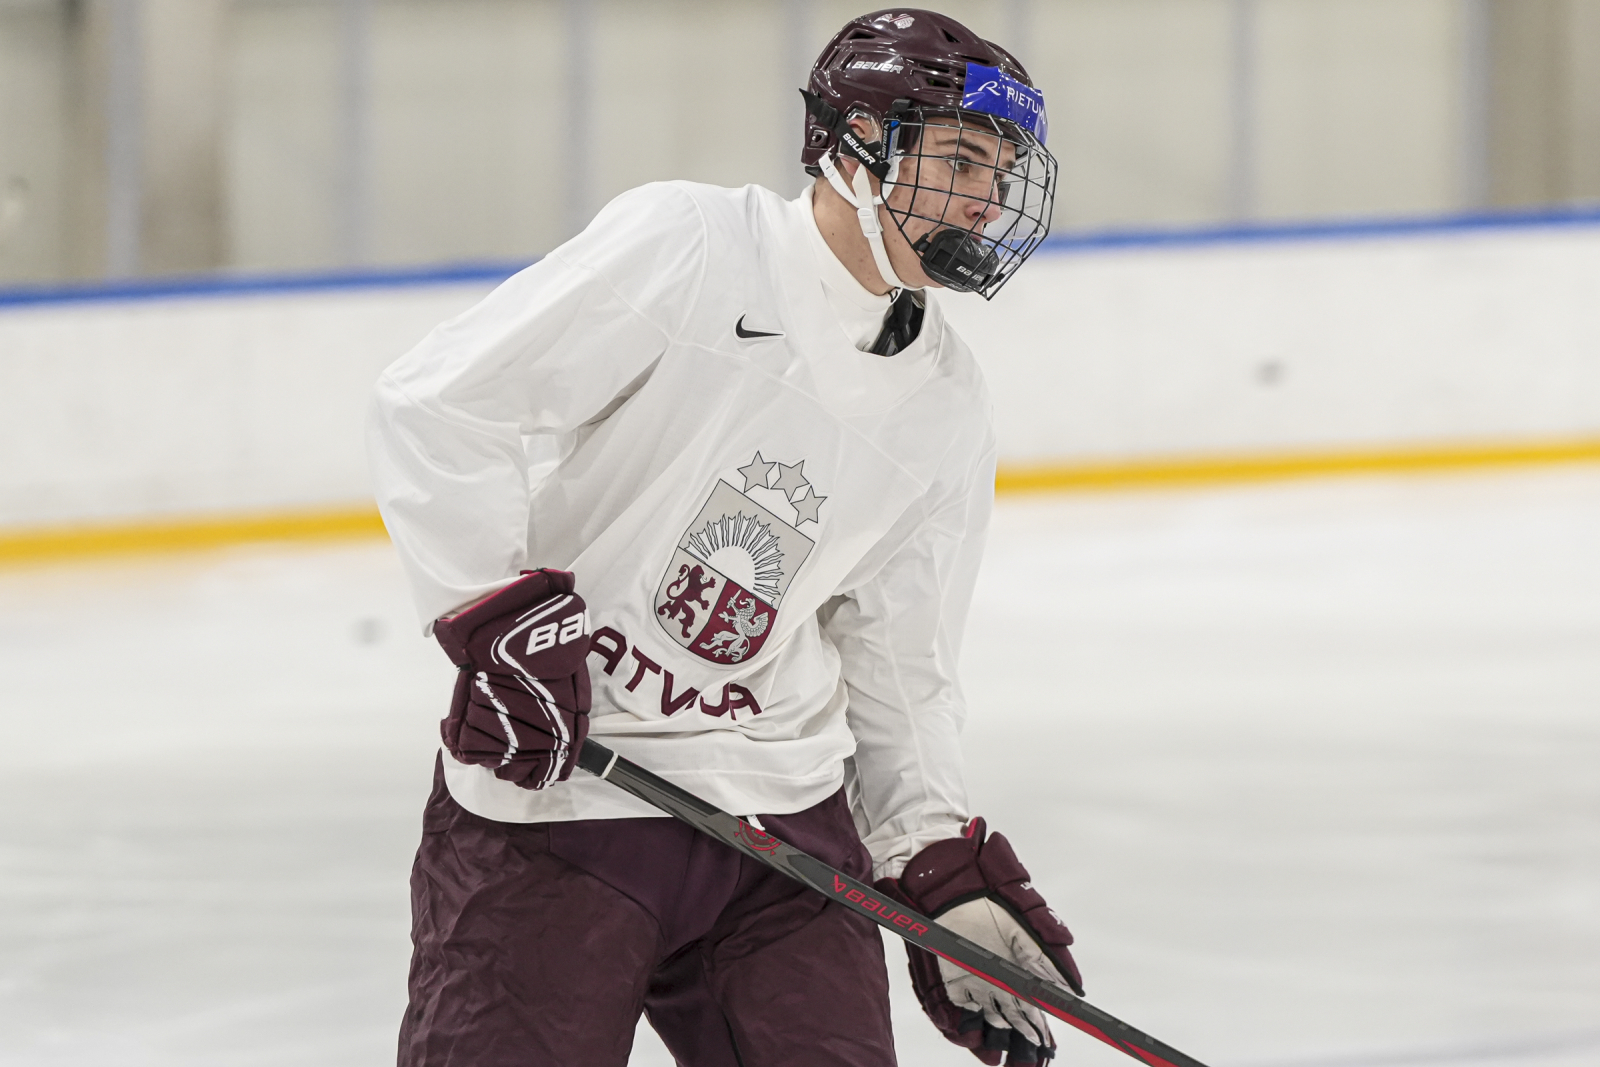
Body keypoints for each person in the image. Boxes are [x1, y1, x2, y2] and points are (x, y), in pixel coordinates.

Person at [369, 9, 1079, 1066]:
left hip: (781, 831)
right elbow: (439, 404)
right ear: (856, 146)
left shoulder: (946, 402)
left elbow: (899, 661)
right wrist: (492, 617)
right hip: (565, 799)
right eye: (962, 160)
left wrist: (929, 852)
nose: (987, 197)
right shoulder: (692, 247)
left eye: (1002, 170)